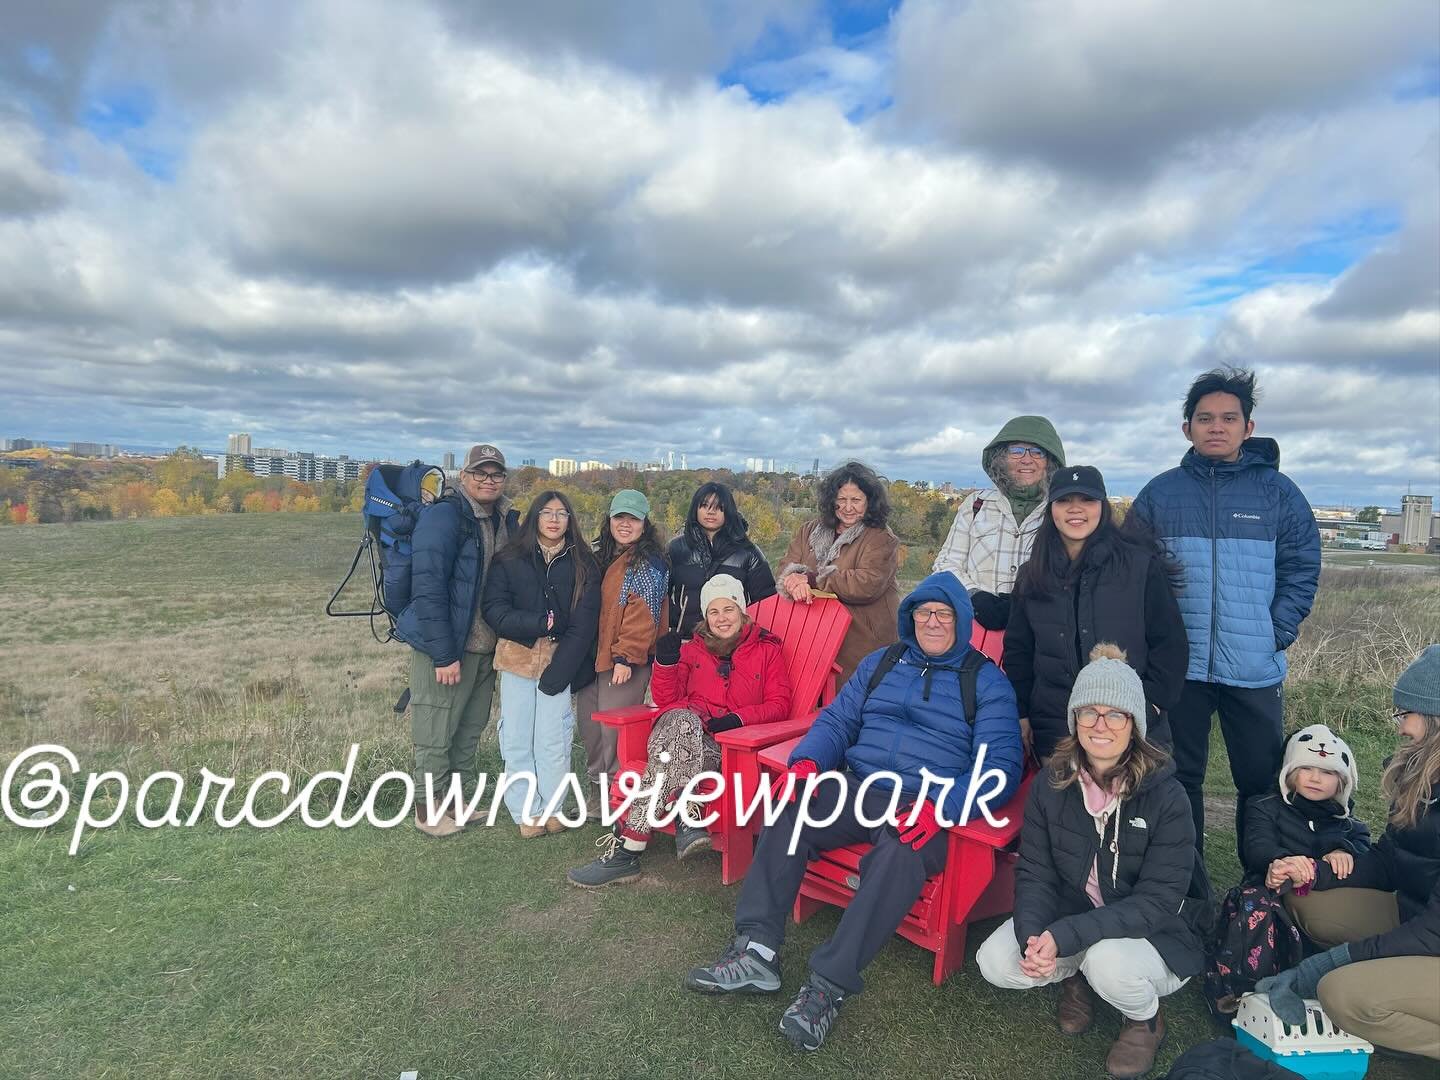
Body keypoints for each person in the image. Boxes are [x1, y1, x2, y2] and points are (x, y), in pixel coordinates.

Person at [685, 573, 1023, 1052]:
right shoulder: (882, 662)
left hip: (925, 803)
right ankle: (757, 950)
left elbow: (1002, 764)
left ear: (963, 623)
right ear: (910, 617)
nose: (931, 621)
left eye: (943, 614)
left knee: (899, 855)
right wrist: (807, 762)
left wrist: (944, 806)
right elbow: (838, 721)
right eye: (924, 611)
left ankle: (827, 986)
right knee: (792, 805)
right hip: (859, 786)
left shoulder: (986, 681)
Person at [977, 643, 1206, 1080]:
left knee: (1108, 962)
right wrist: (1033, 938)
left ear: (1134, 724)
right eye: (1089, 712)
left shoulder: (1168, 797)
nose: (1101, 725)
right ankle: (1075, 975)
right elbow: (1035, 871)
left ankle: (1144, 1018)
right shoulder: (1052, 784)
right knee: (997, 961)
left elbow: (1158, 902)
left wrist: (1064, 936)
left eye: (1115, 714)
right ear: (1074, 720)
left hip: (1153, 934)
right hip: (1078, 915)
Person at [1130, 367, 1320, 861]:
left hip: (1254, 666)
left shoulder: (1278, 494)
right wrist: (1154, 640)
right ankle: (1186, 891)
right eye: (1205, 418)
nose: (1217, 426)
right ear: (1186, 428)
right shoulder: (1159, 494)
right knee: (1180, 776)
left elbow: (1301, 567)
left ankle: (1260, 886)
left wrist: (1275, 631)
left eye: (1229, 418)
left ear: (1248, 428)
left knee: (1259, 780)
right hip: (1182, 666)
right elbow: (1133, 572)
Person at [1259, 645, 1440, 1060]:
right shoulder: (1421, 775)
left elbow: (1434, 932)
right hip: (1420, 915)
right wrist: (1315, 872)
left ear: (1434, 718)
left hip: (1432, 931)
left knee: (1340, 994)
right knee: (1311, 901)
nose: (1399, 727)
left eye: (1405, 714)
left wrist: (1326, 964)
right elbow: (1390, 862)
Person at [567, 575, 793, 887]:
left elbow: (780, 704)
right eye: (714, 611)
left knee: (667, 758)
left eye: (729, 609)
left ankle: (627, 851)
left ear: (741, 611)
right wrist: (667, 662)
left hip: (726, 745)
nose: (722, 618)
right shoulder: (692, 650)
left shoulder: (767, 650)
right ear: (705, 616)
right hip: (679, 729)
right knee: (682, 720)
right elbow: (666, 701)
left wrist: (737, 720)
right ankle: (686, 810)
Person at [1003, 465, 1187, 763]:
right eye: (1064, 501)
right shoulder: (1032, 575)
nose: (1076, 509)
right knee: (1063, 808)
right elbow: (1019, 652)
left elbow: (1170, 644)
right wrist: (1022, 712)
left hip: (1128, 724)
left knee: (1134, 808)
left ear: (1102, 506)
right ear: (1051, 510)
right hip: (1055, 725)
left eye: (1086, 500)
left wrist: (1150, 705)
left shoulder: (1140, 567)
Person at [394, 443, 518, 838]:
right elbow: (427, 588)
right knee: (435, 730)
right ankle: (427, 811)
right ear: (463, 477)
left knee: (468, 728)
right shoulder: (445, 517)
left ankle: (457, 803)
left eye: (495, 474)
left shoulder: (501, 519)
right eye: (480, 473)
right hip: (447, 647)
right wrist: (444, 654)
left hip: (484, 647)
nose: (488, 480)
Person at [482, 491, 601, 838]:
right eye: (547, 512)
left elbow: (584, 623)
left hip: (558, 661)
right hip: (516, 659)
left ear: (570, 520)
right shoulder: (510, 559)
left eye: (562, 513)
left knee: (554, 740)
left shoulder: (583, 564)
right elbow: (494, 610)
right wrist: (539, 623)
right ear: (535, 517)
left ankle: (553, 808)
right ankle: (526, 811)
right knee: (517, 739)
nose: (554, 519)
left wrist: (560, 671)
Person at [575, 489, 669, 818]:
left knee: (613, 732)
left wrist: (626, 657)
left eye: (633, 518)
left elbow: (644, 615)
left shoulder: (647, 562)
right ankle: (596, 794)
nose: (625, 524)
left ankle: (619, 797)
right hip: (595, 657)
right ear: (610, 519)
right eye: (619, 517)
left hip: (623, 662)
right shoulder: (602, 556)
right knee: (589, 727)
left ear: (645, 523)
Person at [933, 415, 1065, 635]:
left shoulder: (1059, 511)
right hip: (975, 630)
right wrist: (974, 595)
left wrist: (1027, 603)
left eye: (1037, 452)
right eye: (1017, 450)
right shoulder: (977, 504)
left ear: (1049, 461)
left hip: (1038, 634)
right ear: (1001, 458)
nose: (1026, 459)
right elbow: (946, 564)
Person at [777, 460, 900, 686]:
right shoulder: (809, 530)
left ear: (870, 501)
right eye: (841, 500)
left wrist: (813, 579)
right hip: (811, 635)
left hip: (860, 641)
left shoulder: (881, 537)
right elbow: (786, 566)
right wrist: (793, 578)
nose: (848, 507)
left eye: (856, 500)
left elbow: (867, 583)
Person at [1240, 723, 1370, 890]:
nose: (1315, 778)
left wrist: (1344, 851)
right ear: (1289, 771)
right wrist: (1284, 861)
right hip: (1275, 890)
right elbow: (1258, 848)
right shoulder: (1264, 807)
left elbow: (1364, 844)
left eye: (1327, 772)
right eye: (1306, 768)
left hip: (1324, 898)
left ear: (1342, 782)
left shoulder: (1346, 822)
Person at [667, 481, 776, 640]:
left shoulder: (748, 552)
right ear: (695, 509)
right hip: (687, 640)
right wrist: (678, 620)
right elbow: (661, 595)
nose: (711, 512)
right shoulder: (676, 549)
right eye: (705, 506)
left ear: (729, 511)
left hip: (732, 644)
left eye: (719, 507)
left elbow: (766, 602)